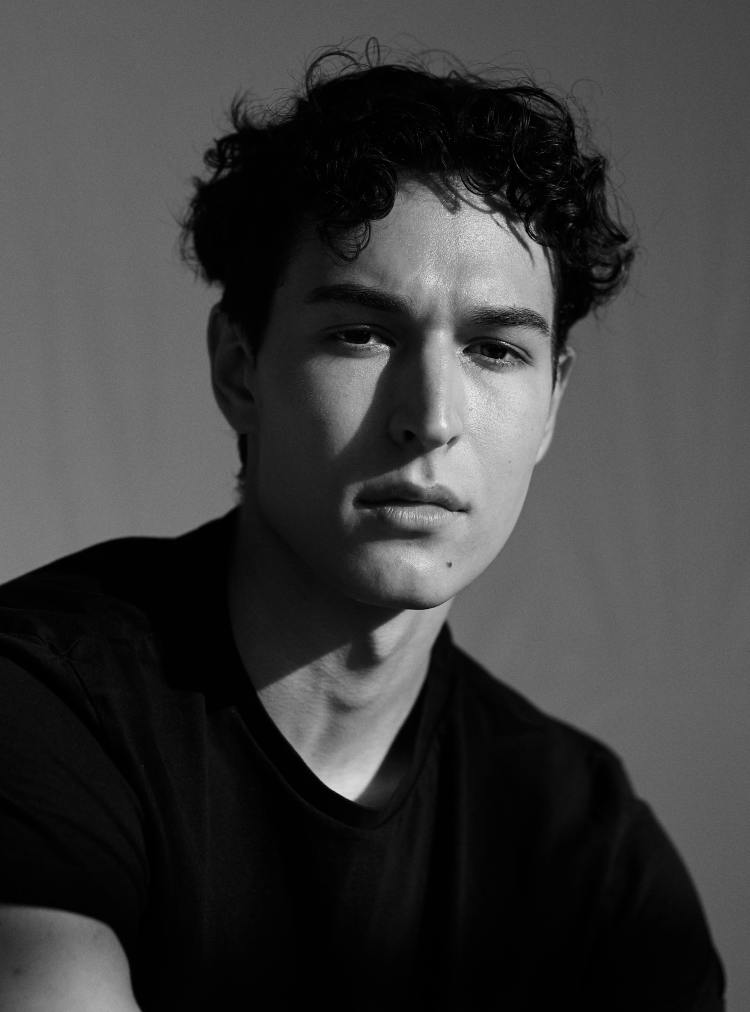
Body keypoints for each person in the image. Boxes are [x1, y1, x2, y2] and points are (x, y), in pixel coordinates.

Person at [0, 45, 725, 1011]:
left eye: (494, 349)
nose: (431, 416)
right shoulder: (41, 698)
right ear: (239, 368)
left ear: (552, 402)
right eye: (361, 334)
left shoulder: (588, 847)